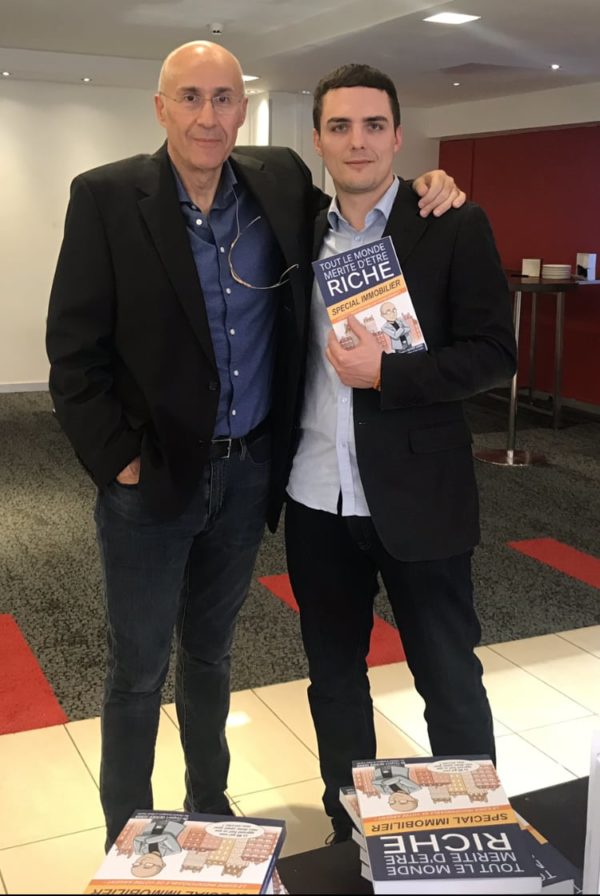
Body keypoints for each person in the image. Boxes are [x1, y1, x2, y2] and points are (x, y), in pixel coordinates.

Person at [46, 40, 464, 849]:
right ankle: (131, 838)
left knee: (211, 656)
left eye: (224, 98)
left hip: (247, 473)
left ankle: (209, 806)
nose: (209, 116)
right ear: (161, 107)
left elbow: (362, 194)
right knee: (138, 671)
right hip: (152, 478)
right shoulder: (105, 197)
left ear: (244, 107)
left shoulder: (278, 180)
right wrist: (117, 460)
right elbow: (73, 351)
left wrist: (428, 187)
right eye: (191, 98)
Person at [284, 63, 517, 842]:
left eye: (373, 125)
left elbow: (494, 353)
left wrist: (390, 373)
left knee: (448, 677)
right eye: (340, 126)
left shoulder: (450, 221)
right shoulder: (295, 231)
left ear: (397, 136)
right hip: (316, 497)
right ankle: (350, 831)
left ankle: (473, 834)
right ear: (318, 139)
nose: (358, 141)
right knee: (334, 682)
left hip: (421, 497)